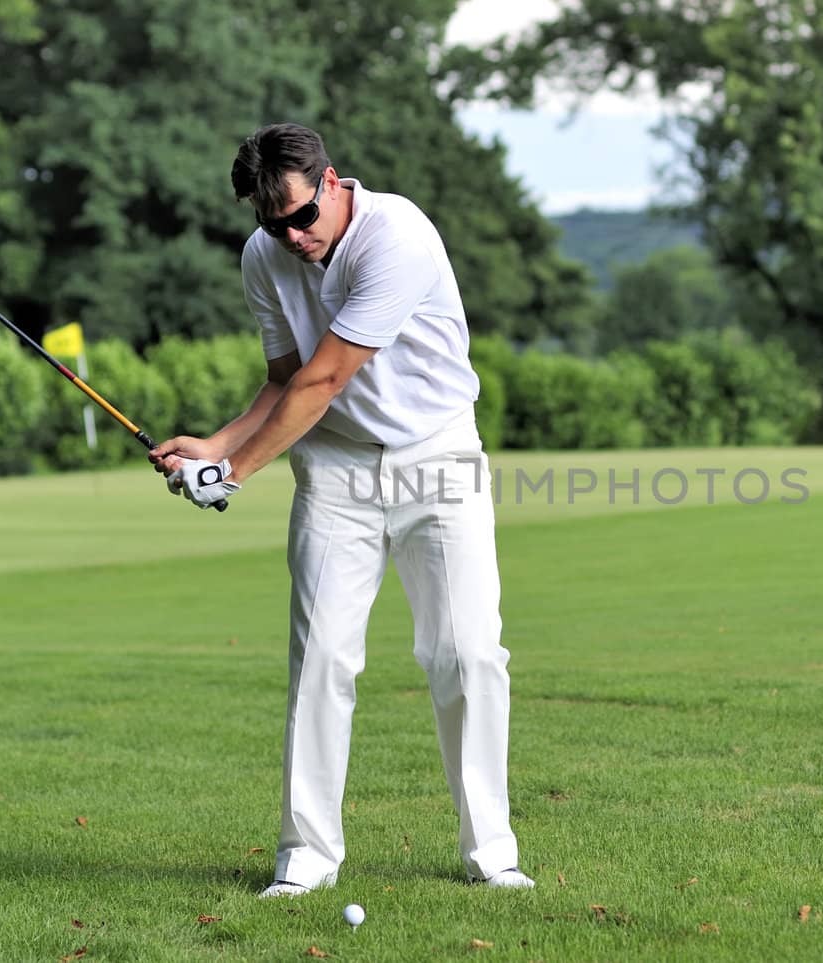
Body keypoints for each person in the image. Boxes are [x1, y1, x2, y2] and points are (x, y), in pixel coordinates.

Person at [150, 122, 533, 895]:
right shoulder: (265, 255)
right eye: (271, 222)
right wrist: (213, 444)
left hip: (438, 457)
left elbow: (323, 382)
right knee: (321, 658)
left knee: (465, 654)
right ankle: (306, 860)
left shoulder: (398, 236)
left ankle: (492, 853)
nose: (291, 236)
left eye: (300, 216)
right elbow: (284, 377)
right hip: (335, 470)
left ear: (331, 182)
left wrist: (232, 472)